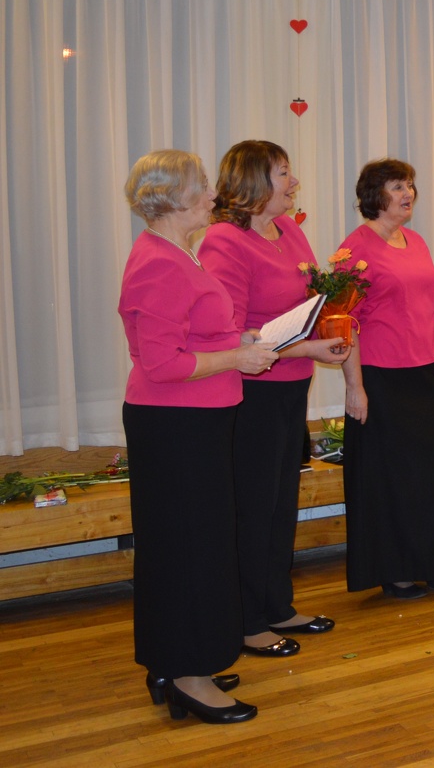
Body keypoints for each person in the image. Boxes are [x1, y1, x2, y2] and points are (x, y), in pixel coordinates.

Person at [119, 150, 276, 724]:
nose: (213, 194)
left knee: (194, 543)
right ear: (173, 198)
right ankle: (188, 675)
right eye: (203, 185)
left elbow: (196, 334)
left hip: (195, 421)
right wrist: (237, 357)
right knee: (188, 547)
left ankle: (178, 661)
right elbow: (163, 364)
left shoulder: (178, 252)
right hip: (175, 425)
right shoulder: (158, 262)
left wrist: (243, 339)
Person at [199, 141, 348, 664]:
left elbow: (303, 304)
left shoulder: (288, 229)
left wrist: (328, 326)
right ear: (254, 181)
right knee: (254, 507)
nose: (294, 182)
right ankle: (247, 621)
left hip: (290, 385)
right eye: (284, 173)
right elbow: (230, 333)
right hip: (252, 392)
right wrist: (307, 347)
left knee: (282, 503)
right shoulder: (224, 241)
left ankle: (276, 606)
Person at [337, 159, 434, 598]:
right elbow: (344, 323)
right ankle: (396, 571)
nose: (407, 192)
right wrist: (355, 386)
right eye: (396, 186)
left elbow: (431, 308)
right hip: (380, 378)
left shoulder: (417, 241)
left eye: (409, 184)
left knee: (433, 474)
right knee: (394, 480)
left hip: (422, 374)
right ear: (374, 196)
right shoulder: (354, 249)